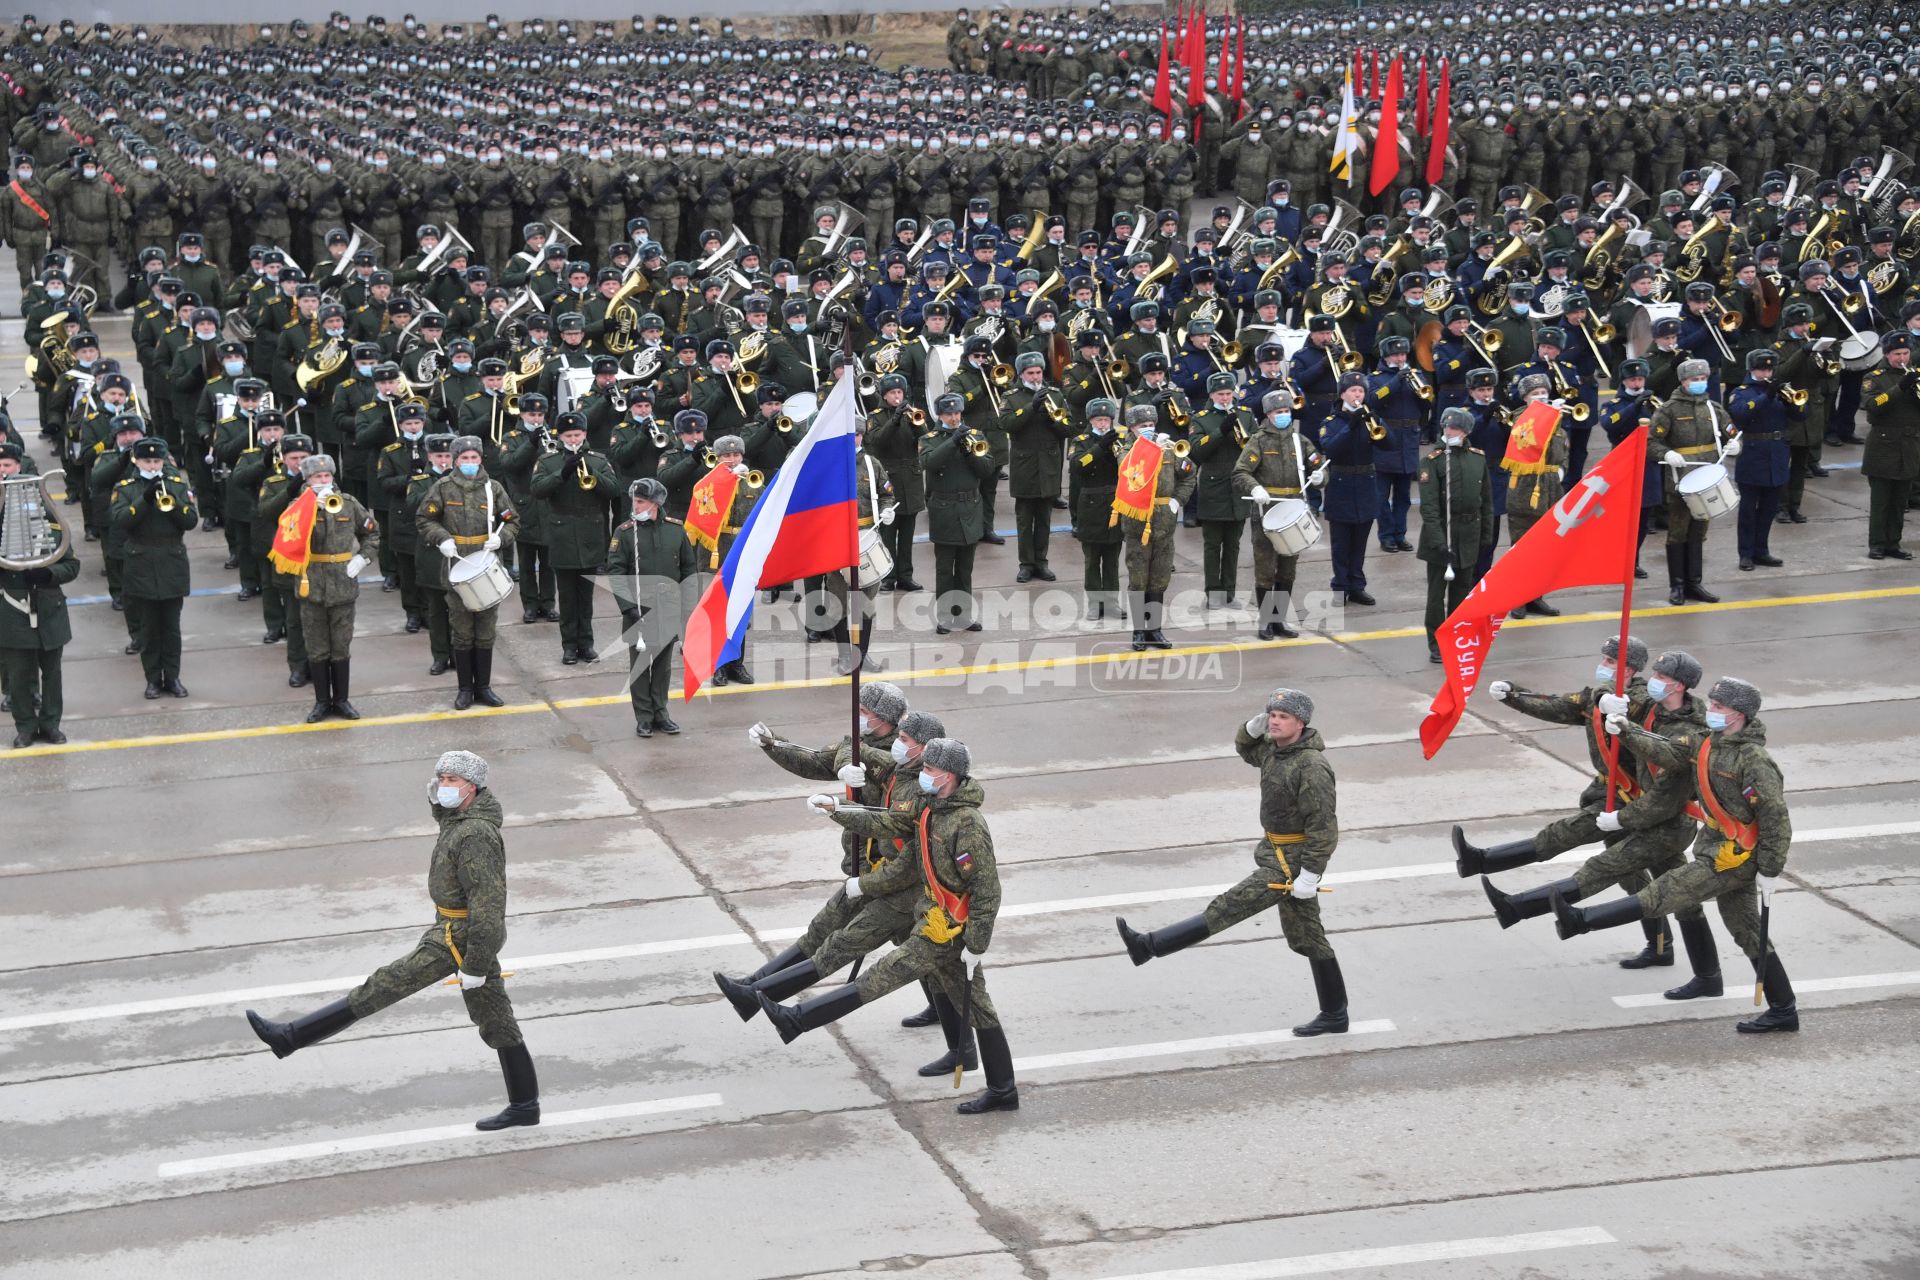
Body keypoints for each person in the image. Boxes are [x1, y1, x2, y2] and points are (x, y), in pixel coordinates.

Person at [245, 750, 542, 1128]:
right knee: (495, 1017)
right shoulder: (462, 821)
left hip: (461, 938)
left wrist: (476, 964)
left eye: (452, 780)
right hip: (453, 930)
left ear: (473, 787)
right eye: (441, 778)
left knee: (383, 985)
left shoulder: (475, 833)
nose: (443, 786)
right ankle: (525, 1106)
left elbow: (488, 904)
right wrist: (438, 804)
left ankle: (290, 1037)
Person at [762, 737, 1017, 1115]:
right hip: (933, 922)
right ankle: (1003, 1090)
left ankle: (797, 1020)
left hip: (948, 932)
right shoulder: (931, 807)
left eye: (929, 769)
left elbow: (986, 889)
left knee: (883, 974)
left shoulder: (968, 824)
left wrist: (976, 945)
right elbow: (888, 820)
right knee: (979, 1008)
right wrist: (838, 808)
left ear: (949, 775)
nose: (923, 775)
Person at [1555, 677, 1799, 1035]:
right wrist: (1626, 730)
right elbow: (1666, 751)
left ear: (1738, 715)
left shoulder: (1754, 761)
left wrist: (1771, 869)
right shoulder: (1707, 743)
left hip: (1735, 858)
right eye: (1712, 704)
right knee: (1746, 930)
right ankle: (1781, 1009)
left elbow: (1776, 818)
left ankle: (1581, 920)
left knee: (1667, 890)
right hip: (1717, 847)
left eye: (1718, 706)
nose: (1710, 710)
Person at [1478, 649, 1726, 999]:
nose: (1650, 679)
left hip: (1669, 822)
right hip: (1647, 813)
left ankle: (1517, 908)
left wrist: (1620, 819)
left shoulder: (1687, 729)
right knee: (1683, 898)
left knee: (1604, 868)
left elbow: (1664, 781)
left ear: (1677, 685)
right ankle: (1696, 969)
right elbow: (1590, 705)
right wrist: (1518, 695)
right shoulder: (1656, 711)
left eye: (1658, 674)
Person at [1116, 689, 1351, 1038]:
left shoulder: (1312, 767)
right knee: (1308, 936)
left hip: (1291, 863)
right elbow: (1246, 750)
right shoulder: (1276, 752)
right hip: (1275, 852)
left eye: (1283, 716)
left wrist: (1311, 874)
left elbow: (1323, 825)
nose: (1274, 720)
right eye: (1271, 713)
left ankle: (1149, 946)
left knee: (1230, 905)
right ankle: (1335, 1014)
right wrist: (1249, 729)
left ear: (1300, 723)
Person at [1454, 636, 1679, 967]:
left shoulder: (1642, 700)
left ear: (1629, 669)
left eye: (1609, 661)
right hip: (1608, 791)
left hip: (1633, 799)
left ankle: (1486, 868)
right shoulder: (1597, 698)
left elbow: (1655, 722)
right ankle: (1661, 946)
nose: (1602, 665)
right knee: (1631, 875)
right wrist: (1513, 696)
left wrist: (1623, 708)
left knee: (1566, 835)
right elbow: (1560, 705)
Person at [419, 436, 519, 710]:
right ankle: (465, 689)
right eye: (465, 459)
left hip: (486, 564)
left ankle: (484, 687)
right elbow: (424, 519)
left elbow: (512, 520)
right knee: (462, 631)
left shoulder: (493, 488)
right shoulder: (443, 488)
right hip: (457, 566)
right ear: (455, 460)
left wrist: (502, 539)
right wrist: (442, 538)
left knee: (486, 630)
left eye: (475, 458)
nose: (470, 463)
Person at [286, 453, 379, 722]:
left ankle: (342, 700)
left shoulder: (348, 504)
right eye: (317, 477)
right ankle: (321, 702)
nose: (323, 481)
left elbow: (372, 532)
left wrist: (363, 558)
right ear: (307, 480)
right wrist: (310, 509)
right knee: (317, 647)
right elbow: (288, 539)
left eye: (327, 476)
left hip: (342, 582)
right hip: (312, 582)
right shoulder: (297, 506)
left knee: (341, 644)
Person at [603, 477, 697, 738]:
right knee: (641, 666)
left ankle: (661, 712)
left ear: (655, 503)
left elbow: (689, 569)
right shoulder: (624, 532)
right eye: (634, 500)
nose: (635, 505)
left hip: (668, 609)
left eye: (641, 501)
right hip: (639, 611)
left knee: (663, 666)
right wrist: (628, 608)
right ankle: (643, 716)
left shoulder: (676, 530)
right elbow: (616, 572)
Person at [0, 443, 78, 746]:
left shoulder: (47, 518)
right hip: (11, 606)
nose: (2, 471)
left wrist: (48, 574)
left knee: (53, 673)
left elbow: (71, 565)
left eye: (6, 466)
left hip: (48, 605)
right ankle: (25, 727)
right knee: (18, 675)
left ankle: (50, 724)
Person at [108, 437, 197, 699]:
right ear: (136, 460)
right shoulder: (125, 487)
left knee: (171, 626)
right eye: (147, 460)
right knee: (148, 628)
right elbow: (120, 520)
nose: (152, 465)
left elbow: (191, 520)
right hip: (141, 558)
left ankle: (172, 676)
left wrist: (172, 504)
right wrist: (145, 501)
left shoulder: (177, 485)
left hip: (171, 557)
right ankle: (152, 679)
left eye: (156, 460)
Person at [531, 410, 620, 664]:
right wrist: (563, 473)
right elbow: (537, 489)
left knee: (586, 597)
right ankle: (569, 646)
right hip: (562, 534)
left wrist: (591, 469)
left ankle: (587, 644)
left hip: (591, 532)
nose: (573, 439)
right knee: (567, 597)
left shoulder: (598, 460)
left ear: (585, 434)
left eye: (577, 434)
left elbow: (614, 490)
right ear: (560, 436)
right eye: (568, 435)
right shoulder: (548, 460)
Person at [1231, 389, 1316, 640]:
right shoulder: (1258, 441)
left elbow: (1316, 463)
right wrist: (1254, 487)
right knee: (1265, 568)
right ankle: (1265, 621)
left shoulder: (1300, 441)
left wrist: (1320, 477)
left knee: (1288, 569)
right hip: (1266, 511)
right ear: (1268, 414)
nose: (1284, 415)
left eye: (1287, 411)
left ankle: (1279, 621)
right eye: (1279, 412)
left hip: (1293, 510)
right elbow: (1240, 472)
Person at [1418, 407, 1495, 663]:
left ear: (1466, 432)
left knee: (1462, 592)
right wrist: (1439, 543)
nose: (1451, 432)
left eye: (1457, 429)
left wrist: (1486, 534)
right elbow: (1429, 508)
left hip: (1469, 534)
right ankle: (1436, 642)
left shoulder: (1478, 458)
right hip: (1441, 533)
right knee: (1436, 595)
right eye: (1448, 428)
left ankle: (1457, 637)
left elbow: (1486, 501)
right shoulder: (1433, 460)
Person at [1118, 405, 1197, 651]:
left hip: (1164, 521)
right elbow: (1129, 471)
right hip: (1138, 522)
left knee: (1160, 577)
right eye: (1143, 426)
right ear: (1132, 428)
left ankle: (1155, 630)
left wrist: (1177, 501)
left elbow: (1189, 474)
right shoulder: (1125, 449)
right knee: (1139, 578)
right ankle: (1139, 631)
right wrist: (1149, 448)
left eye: (1151, 425)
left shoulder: (1169, 448)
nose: (1148, 429)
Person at [1652, 357, 1728, 607]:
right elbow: (1651, 441)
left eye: (1703, 379)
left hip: (1706, 478)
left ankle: (1695, 582)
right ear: (1683, 381)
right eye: (1695, 379)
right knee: (1678, 532)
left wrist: (1735, 443)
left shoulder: (1712, 408)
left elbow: (1729, 430)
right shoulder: (1669, 410)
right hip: (1681, 480)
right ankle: (1677, 585)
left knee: (1699, 530)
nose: (1700, 383)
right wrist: (1667, 454)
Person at [920, 392, 996, 634]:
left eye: (957, 413)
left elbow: (986, 469)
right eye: (949, 414)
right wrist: (953, 442)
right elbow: (929, 463)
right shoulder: (930, 438)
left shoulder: (975, 436)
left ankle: (963, 615)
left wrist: (968, 452)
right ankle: (944, 616)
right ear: (940, 415)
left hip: (970, 508)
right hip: (944, 509)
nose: (954, 418)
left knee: (965, 568)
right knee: (945, 569)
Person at [1726, 348, 1797, 571]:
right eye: (1761, 368)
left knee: (1769, 508)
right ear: (1751, 369)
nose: (1766, 372)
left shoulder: (1779, 391)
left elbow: (1801, 416)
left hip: (1777, 452)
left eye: (1769, 368)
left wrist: (1792, 402)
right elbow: (1741, 414)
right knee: (1748, 510)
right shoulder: (1742, 391)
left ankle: (1762, 550)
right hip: (1753, 453)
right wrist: (1767, 396)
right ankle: (1745, 554)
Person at [1860, 333, 1918, 560]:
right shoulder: (1874, 377)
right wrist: (1900, 388)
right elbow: (1872, 405)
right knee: (1881, 501)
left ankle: (1893, 543)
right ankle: (1877, 544)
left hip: (1910, 444)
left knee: (1899, 501)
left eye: (1906, 353)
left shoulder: (1916, 375)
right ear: (1887, 354)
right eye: (1897, 354)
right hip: (1883, 444)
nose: (1902, 358)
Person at [1068, 398, 1126, 621]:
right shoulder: (1081, 441)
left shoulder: (1119, 440)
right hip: (1091, 504)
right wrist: (1100, 447)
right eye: (1098, 419)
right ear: (1091, 420)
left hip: (1114, 503)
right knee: (1092, 560)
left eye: (1106, 420)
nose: (1103, 424)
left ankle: (1111, 603)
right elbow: (1077, 466)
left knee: (1112, 559)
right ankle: (1094, 604)